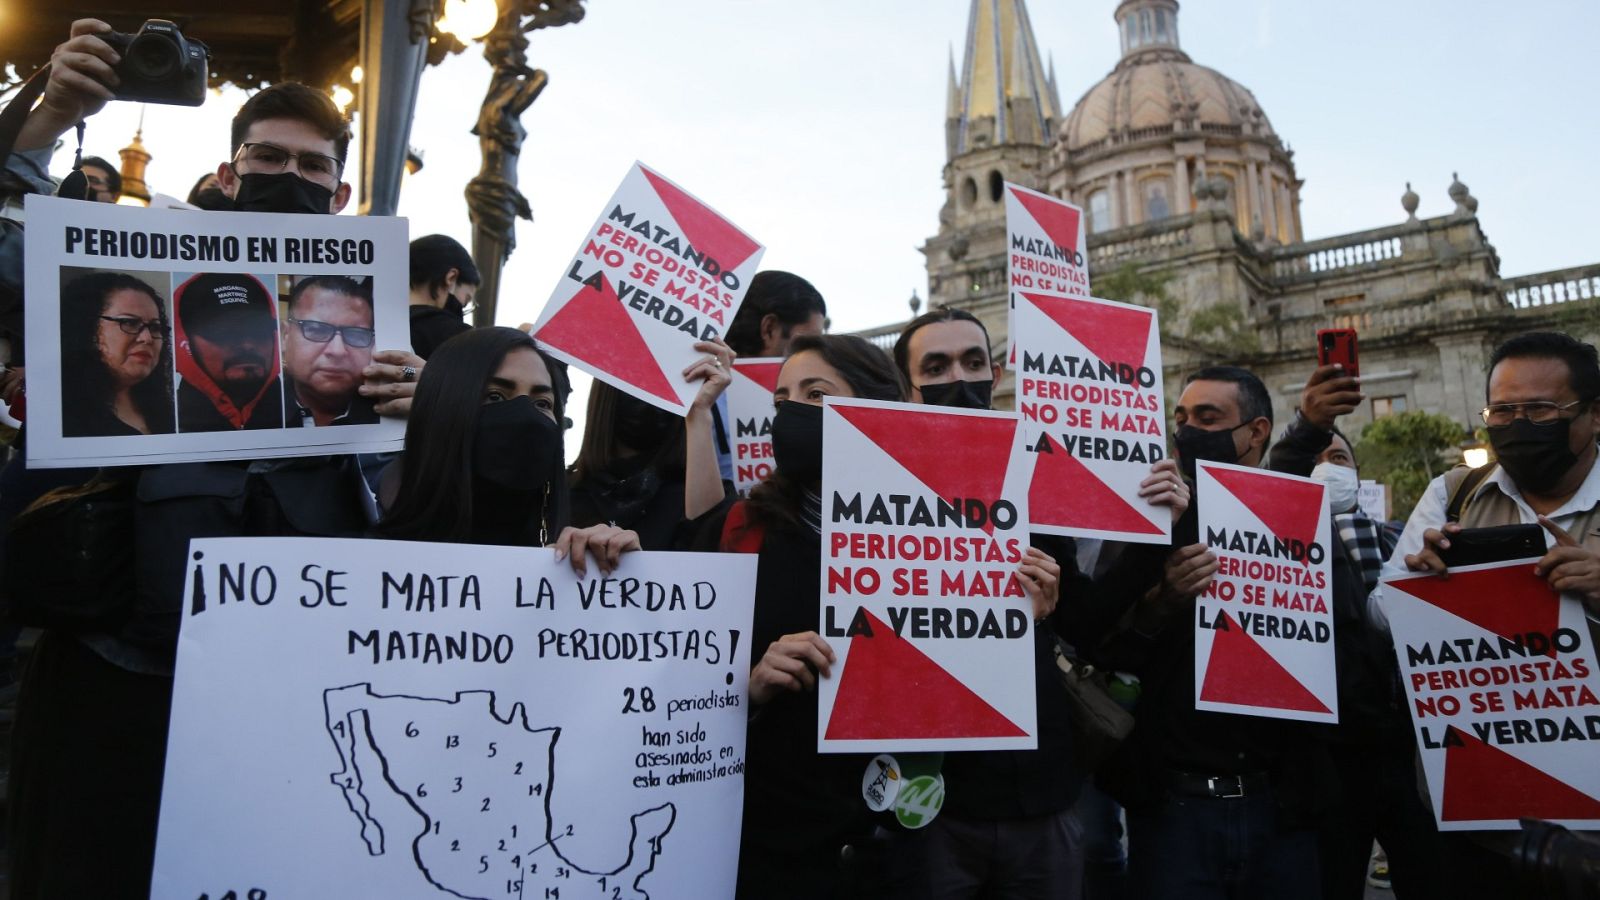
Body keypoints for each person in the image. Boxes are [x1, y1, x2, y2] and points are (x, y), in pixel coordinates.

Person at [4, 23, 422, 898]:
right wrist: (49, 122)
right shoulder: (140, 254)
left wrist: (428, 414)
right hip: (122, 665)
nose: (290, 178)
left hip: (288, 682)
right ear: (229, 173)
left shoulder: (373, 324)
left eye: (313, 169)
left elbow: (419, 511)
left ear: (341, 194)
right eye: (268, 157)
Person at [892, 307, 1188, 900]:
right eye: (937, 365)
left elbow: (1083, 621)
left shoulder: (1030, 478)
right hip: (928, 791)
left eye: (973, 361)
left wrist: (1159, 529)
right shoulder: (871, 479)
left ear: (995, 372)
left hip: (1037, 787)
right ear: (907, 385)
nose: (959, 376)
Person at [690, 334, 916, 898]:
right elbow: (693, 686)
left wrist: (1019, 613)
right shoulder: (746, 527)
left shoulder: (943, 531)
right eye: (781, 399)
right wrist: (753, 688)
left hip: (902, 838)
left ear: (877, 407)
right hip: (777, 838)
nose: (791, 412)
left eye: (815, 395)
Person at [1095, 365, 1330, 900]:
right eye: (1180, 417)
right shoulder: (1152, 522)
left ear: (1257, 432)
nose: (1187, 430)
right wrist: (1163, 601)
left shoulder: (1301, 526)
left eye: (1207, 417)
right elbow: (1105, 644)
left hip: (1280, 806)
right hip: (1176, 810)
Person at [1380, 330, 1600, 896]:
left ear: (1593, 415)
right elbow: (1381, 612)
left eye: (1540, 409)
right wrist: (1422, 581)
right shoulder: (1454, 494)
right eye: (1503, 411)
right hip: (1483, 821)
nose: (1519, 425)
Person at [1267, 363, 1447, 900]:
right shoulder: (1275, 548)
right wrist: (1307, 430)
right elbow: (1280, 475)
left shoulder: (1405, 541)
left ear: (1358, 474)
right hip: (1332, 755)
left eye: (1339, 459)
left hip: (1408, 748)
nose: (1327, 469)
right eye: (1316, 461)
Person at [377, 325, 639, 568]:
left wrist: (621, 572)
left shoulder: (567, 560)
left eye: (542, 404)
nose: (524, 417)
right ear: (447, 407)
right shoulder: (358, 554)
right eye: (495, 396)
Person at [569, 339, 736, 549]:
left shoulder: (697, 497)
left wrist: (699, 411)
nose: (648, 389)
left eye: (664, 379)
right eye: (638, 374)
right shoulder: (558, 496)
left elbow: (708, 547)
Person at [59, 270, 174, 436]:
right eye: (128, 322)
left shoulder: (165, 408)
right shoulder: (59, 411)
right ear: (87, 327)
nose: (147, 338)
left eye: (155, 327)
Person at [172, 271, 284, 431]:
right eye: (224, 332)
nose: (247, 345)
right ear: (185, 340)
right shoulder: (165, 421)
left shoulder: (297, 412)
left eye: (259, 330)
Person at [281, 274, 378, 427]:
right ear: (285, 336)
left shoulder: (391, 410)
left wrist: (425, 391)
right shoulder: (251, 414)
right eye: (317, 330)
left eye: (355, 334)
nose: (337, 351)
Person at [408, 234, 479, 359]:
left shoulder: (371, 325)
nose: (462, 308)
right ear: (451, 278)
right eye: (466, 300)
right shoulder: (464, 339)